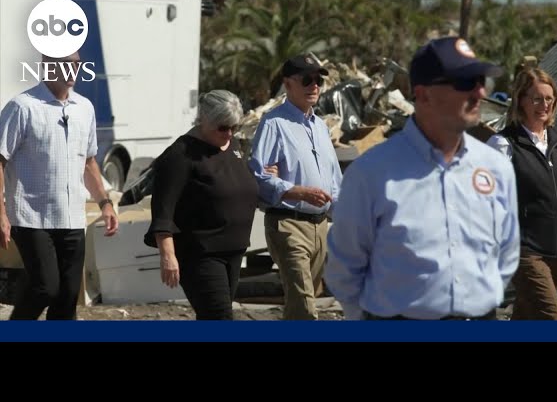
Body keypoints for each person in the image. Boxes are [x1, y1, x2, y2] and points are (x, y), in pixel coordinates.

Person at [325, 36, 520, 320]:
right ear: (424, 94)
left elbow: (507, 253)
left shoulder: (496, 168)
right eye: (465, 82)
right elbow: (344, 270)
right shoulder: (371, 174)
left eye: (480, 81)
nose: (479, 93)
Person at [0, 52, 119, 320]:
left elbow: (88, 162)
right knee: (45, 287)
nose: (72, 70)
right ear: (47, 66)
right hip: (31, 216)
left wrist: (105, 203)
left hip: (72, 217)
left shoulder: (84, 108)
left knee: (67, 298)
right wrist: (1, 212)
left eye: (76, 64)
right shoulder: (23, 107)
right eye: (65, 64)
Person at [486, 67, 557, 320]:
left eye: (549, 99)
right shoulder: (504, 145)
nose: (544, 105)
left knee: (528, 317)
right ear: (521, 100)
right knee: (552, 317)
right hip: (523, 250)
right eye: (536, 99)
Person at [144, 89, 261, 320]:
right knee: (219, 317)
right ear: (203, 120)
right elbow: (163, 210)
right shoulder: (180, 155)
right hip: (201, 254)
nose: (228, 133)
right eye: (222, 127)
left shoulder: (234, 146)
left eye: (234, 127)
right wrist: (168, 255)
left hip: (234, 251)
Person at [248, 54, 343, 320]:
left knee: (299, 304)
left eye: (318, 80)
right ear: (288, 84)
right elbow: (258, 175)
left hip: (320, 228)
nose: (314, 86)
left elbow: (335, 181)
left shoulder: (322, 127)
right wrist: (298, 191)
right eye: (307, 80)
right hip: (289, 225)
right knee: (304, 306)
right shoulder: (273, 123)